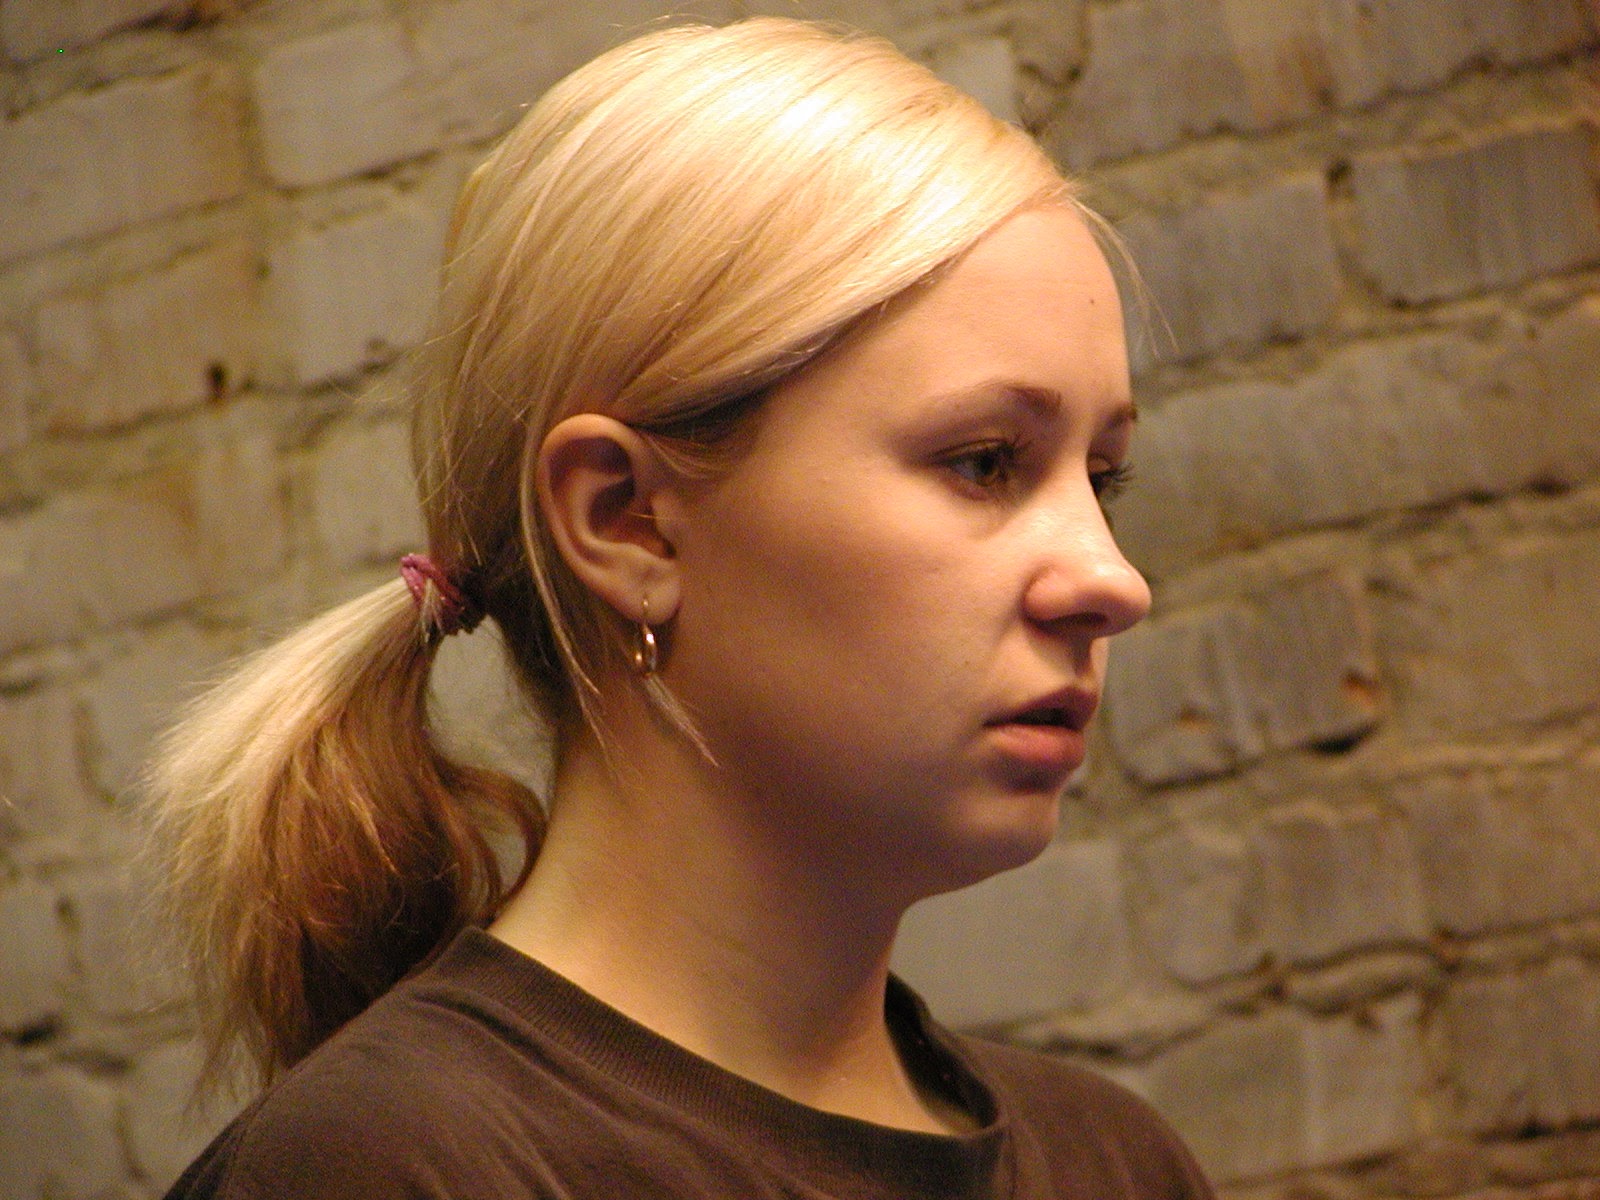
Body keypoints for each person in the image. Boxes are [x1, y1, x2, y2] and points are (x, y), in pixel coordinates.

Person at [147, 17, 1212, 1199]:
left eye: (1102, 477)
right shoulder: (394, 1169)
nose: (1111, 581)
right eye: (983, 462)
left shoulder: (1117, 1163)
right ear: (626, 520)